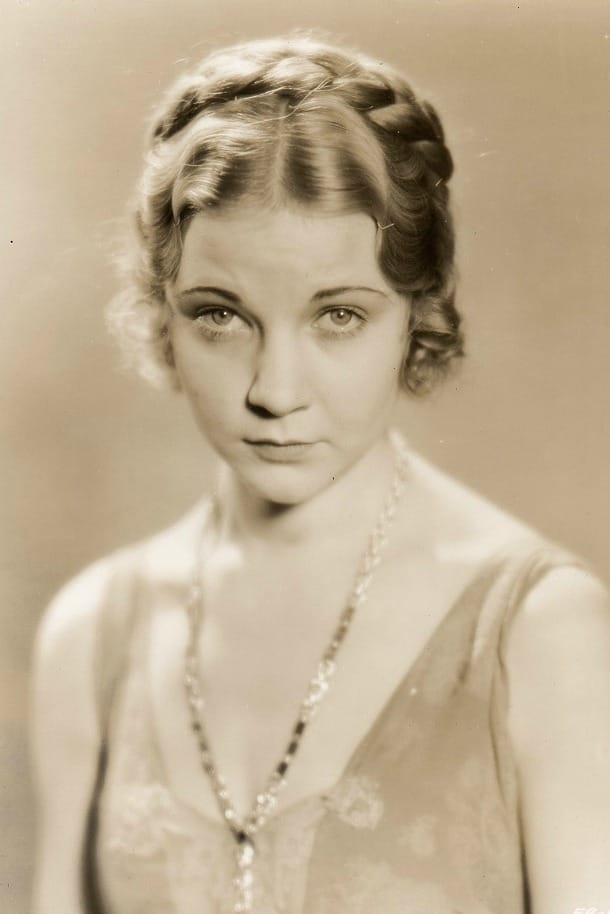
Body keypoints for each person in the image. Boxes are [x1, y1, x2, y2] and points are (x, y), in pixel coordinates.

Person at [29, 31, 610, 914]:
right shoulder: (92, 638)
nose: (275, 390)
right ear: (163, 313)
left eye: (338, 315)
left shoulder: (540, 633)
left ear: (416, 315)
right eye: (221, 315)